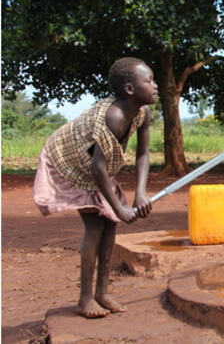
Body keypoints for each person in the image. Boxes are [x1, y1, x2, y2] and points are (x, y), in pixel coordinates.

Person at [32, 57, 157, 318]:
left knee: (110, 223)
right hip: (69, 161)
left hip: (95, 165)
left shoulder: (143, 113)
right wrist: (120, 207)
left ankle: (102, 292)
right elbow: (96, 169)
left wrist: (141, 193)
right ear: (130, 89)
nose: (155, 86)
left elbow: (143, 154)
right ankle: (85, 298)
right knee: (96, 225)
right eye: (149, 81)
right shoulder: (114, 117)